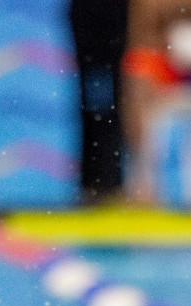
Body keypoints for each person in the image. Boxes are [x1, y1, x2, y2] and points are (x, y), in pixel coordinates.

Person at [121, 0, 191, 203]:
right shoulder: (149, 5)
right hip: (164, 67)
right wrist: (171, 48)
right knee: (138, 65)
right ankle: (145, 185)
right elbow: (140, 39)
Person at [69, 0, 130, 203]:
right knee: (93, 109)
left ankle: (110, 183)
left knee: (113, 108)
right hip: (91, 24)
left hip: (113, 23)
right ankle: (94, 183)